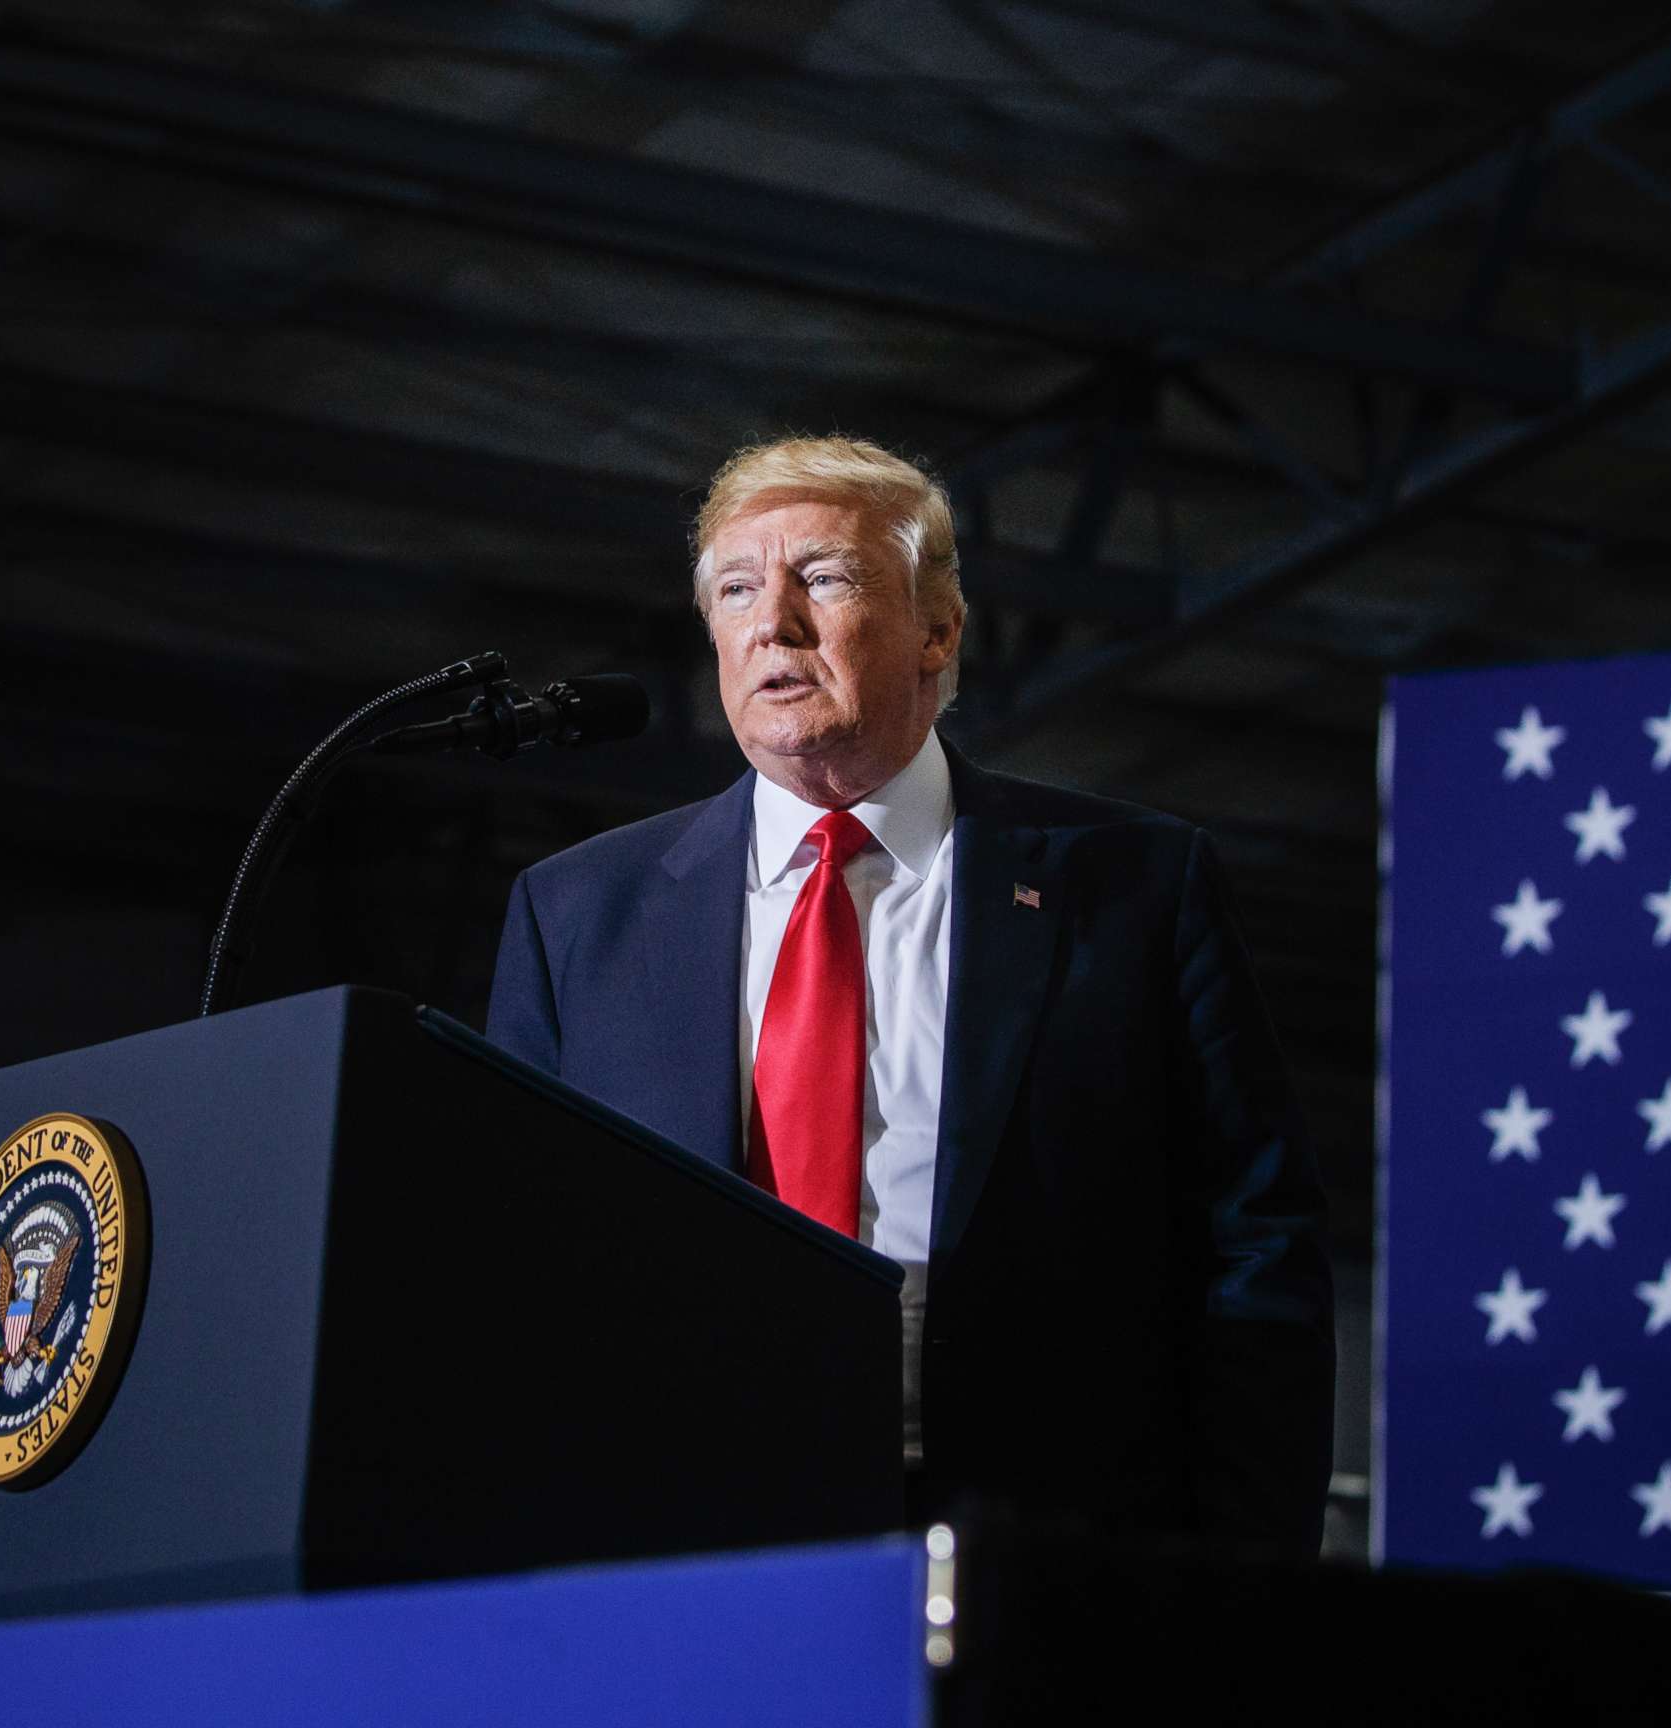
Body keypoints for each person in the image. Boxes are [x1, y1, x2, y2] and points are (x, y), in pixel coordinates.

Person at [487, 435, 1332, 1560]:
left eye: (823, 578)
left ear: (939, 629)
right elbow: (507, 1269)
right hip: (674, 1549)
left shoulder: (1132, 883)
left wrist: (1247, 1575)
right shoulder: (577, 914)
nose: (772, 623)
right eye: (737, 589)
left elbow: (1256, 1243)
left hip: (1044, 1555)